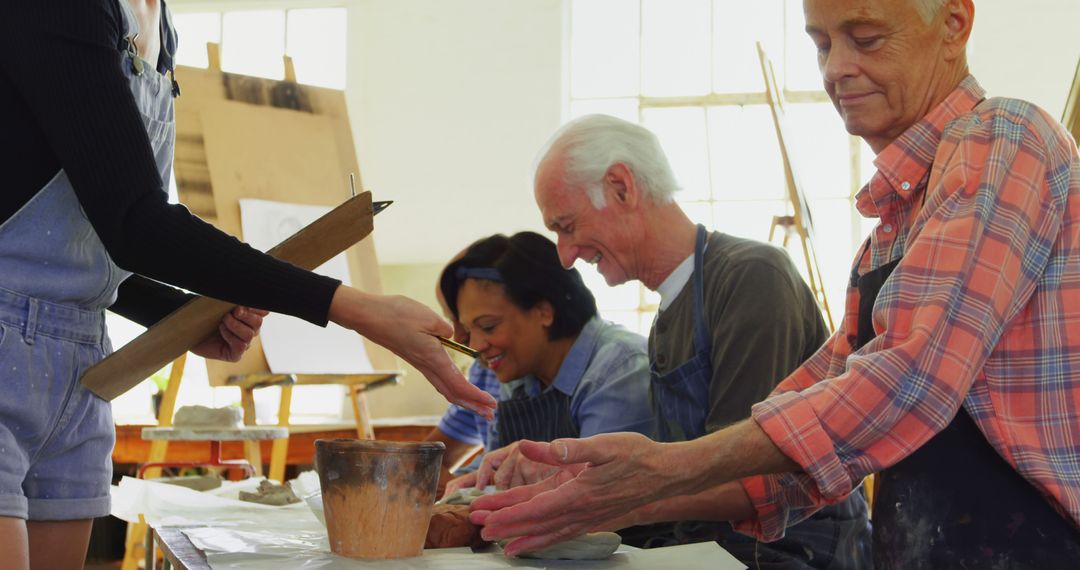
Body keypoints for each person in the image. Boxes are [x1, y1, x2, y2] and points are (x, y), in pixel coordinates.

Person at [471, 0, 1080, 568]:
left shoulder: (1002, 137)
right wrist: (602, 495)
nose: (837, 68)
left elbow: (911, 379)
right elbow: (790, 467)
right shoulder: (889, 236)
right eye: (820, 45)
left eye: (865, 37)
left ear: (953, 23)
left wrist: (663, 466)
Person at [0, 1, 494, 567]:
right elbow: (135, 223)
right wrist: (353, 307)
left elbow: (95, 235)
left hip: (83, 366)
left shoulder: (157, 24)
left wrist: (182, 320)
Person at [474, 113, 871, 568]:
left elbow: (752, 477)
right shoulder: (669, 313)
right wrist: (562, 473)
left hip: (789, 552)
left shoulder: (751, 277)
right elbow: (677, 461)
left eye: (566, 226)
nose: (565, 257)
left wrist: (605, 498)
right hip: (710, 548)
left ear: (622, 187)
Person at [439, 232, 656, 495]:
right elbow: (499, 475)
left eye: (488, 326)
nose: (476, 346)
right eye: (472, 330)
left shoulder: (620, 369)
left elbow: (599, 492)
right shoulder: (514, 372)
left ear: (544, 312)